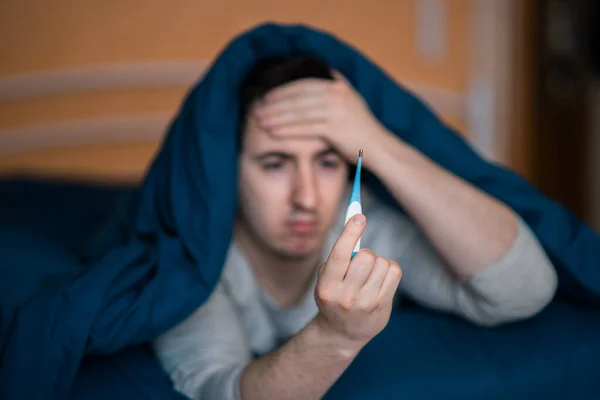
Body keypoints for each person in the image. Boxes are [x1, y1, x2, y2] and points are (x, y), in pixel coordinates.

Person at [152, 56, 558, 400]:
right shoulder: (193, 261)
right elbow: (217, 389)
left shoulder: (374, 234)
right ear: (225, 173)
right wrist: (336, 337)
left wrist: (375, 143)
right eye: (275, 164)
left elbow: (524, 291)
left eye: (328, 162)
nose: (306, 198)